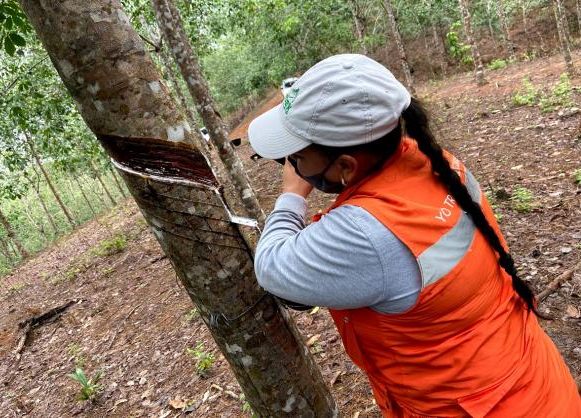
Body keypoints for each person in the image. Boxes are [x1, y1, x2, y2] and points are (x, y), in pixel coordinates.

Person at [248, 54, 581, 417]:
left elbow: (271, 266)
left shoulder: (366, 231)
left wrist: (292, 194)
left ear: (345, 166)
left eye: (296, 157)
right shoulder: (433, 161)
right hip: (534, 381)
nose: (292, 166)